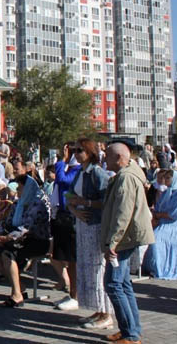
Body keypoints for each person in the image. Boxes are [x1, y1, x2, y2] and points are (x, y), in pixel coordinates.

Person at [100, 142, 155, 344]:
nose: (104, 159)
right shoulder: (128, 174)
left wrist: (112, 242)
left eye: (107, 156)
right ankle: (130, 330)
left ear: (119, 158)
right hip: (128, 236)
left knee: (113, 284)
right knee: (122, 284)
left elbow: (123, 214)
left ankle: (131, 334)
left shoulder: (125, 178)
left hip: (124, 238)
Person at [65, 138, 113, 328]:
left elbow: (107, 200)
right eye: (74, 150)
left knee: (98, 269)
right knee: (88, 269)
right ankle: (98, 309)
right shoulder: (80, 173)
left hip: (95, 225)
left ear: (89, 152)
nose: (76, 154)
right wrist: (75, 209)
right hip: (82, 225)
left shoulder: (97, 174)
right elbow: (69, 195)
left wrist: (86, 203)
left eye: (80, 150)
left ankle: (107, 313)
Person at [0, 175, 51, 308]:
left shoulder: (37, 204)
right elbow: (7, 223)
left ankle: (16, 294)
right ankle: (19, 286)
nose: (17, 190)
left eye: (20, 187)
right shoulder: (18, 204)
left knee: (8, 254)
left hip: (36, 240)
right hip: (17, 239)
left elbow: (26, 228)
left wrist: (7, 239)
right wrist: (0, 236)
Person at [143, 169, 177, 280]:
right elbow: (159, 206)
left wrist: (159, 215)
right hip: (165, 221)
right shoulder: (168, 191)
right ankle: (153, 266)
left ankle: (161, 268)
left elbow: (176, 214)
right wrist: (155, 215)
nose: (165, 180)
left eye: (168, 178)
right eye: (165, 178)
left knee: (157, 237)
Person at [50, 142, 82, 301]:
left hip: (71, 217)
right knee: (62, 256)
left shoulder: (77, 171)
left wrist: (62, 159)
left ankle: (75, 294)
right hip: (61, 214)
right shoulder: (69, 169)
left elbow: (62, 180)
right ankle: (69, 290)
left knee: (72, 258)